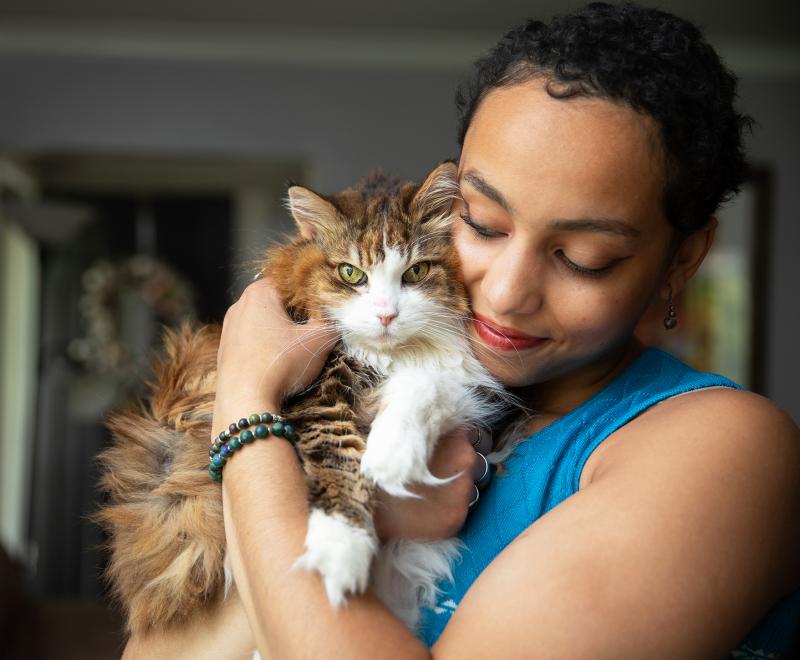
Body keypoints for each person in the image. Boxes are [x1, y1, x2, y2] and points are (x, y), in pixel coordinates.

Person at [122, 3, 800, 658]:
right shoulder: (409, 382)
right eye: (481, 224)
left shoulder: (726, 449)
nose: (505, 293)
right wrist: (363, 505)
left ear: (682, 260)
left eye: (583, 257)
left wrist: (245, 409)